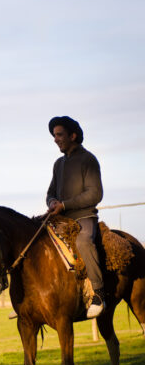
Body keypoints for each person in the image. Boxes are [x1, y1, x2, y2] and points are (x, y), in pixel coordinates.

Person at [46, 116, 105, 318]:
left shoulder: (88, 159)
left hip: (84, 217)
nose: (55, 139)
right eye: (54, 135)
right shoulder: (58, 164)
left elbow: (95, 194)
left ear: (73, 135)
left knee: (84, 242)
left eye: (59, 134)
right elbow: (50, 192)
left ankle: (98, 294)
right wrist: (53, 202)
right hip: (59, 219)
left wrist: (65, 205)